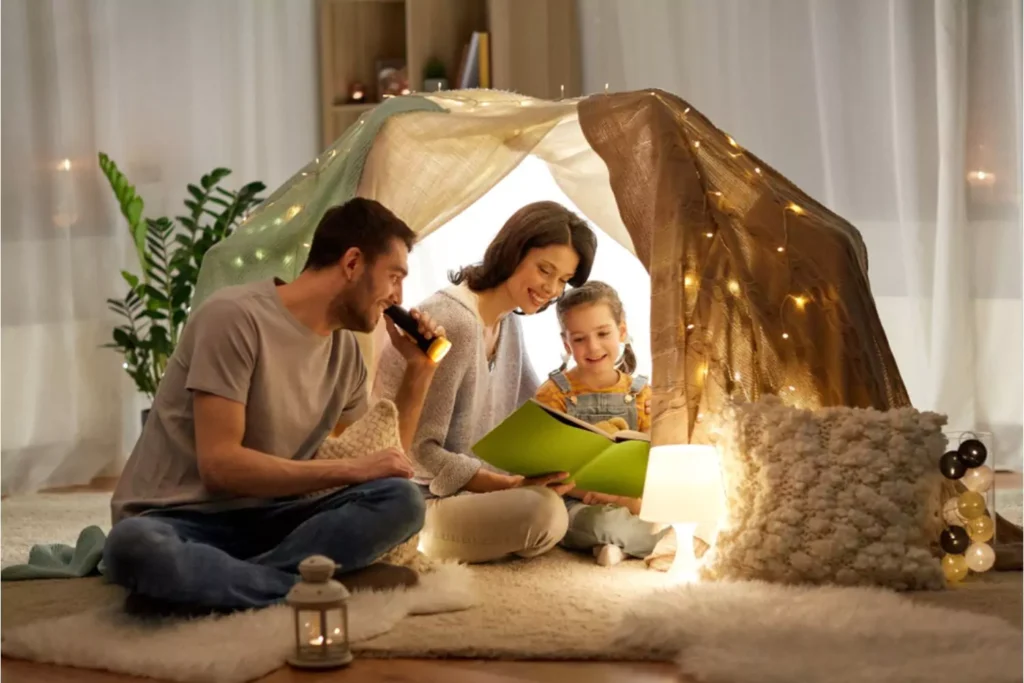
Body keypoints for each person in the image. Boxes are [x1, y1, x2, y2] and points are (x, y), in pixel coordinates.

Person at [103, 198, 444, 613]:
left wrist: (419, 371)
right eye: (394, 277)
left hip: (273, 521)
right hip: (179, 519)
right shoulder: (233, 318)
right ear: (352, 263)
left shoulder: (346, 354)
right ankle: (308, 585)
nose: (398, 296)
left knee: (401, 499)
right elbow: (220, 467)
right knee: (133, 547)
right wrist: (354, 469)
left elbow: (385, 461)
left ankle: (221, 586)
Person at [372, 201, 598, 564]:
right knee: (544, 514)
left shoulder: (509, 322)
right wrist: (511, 485)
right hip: (416, 500)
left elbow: (536, 410)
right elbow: (418, 453)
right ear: (514, 251)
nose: (552, 289)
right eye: (545, 270)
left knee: (561, 502)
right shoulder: (454, 321)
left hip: (473, 494)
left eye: (564, 280)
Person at [534, 281, 667, 566]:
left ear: (621, 331)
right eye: (579, 339)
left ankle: (618, 546)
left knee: (674, 512)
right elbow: (548, 470)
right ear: (566, 343)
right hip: (576, 503)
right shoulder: (553, 394)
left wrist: (657, 421)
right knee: (601, 523)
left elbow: (651, 460)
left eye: (603, 333)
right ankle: (631, 542)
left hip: (632, 502)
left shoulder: (641, 392)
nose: (592, 347)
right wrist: (605, 496)